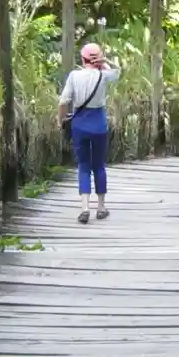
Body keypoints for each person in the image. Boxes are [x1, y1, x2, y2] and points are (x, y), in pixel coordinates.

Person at [58, 43, 120, 224]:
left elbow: (63, 101)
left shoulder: (74, 76)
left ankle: (85, 207)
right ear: (98, 59)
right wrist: (105, 60)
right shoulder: (103, 75)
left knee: (83, 166)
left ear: (82, 59)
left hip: (79, 124)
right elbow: (117, 72)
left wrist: (60, 120)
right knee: (99, 165)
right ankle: (101, 207)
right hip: (99, 123)